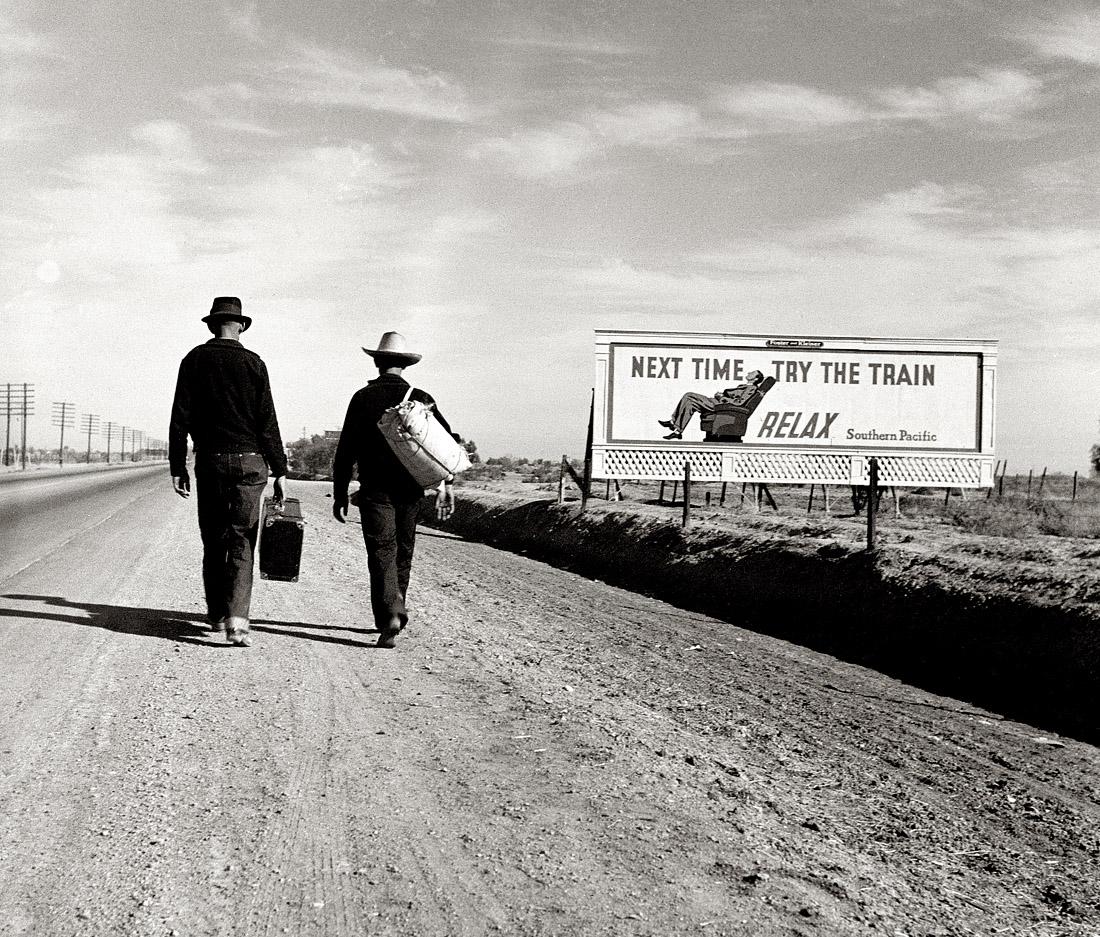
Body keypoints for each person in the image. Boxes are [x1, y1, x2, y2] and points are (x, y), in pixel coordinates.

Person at [169, 296, 287, 647]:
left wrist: (178, 466)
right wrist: (280, 468)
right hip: (251, 461)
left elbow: (180, 418)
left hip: (211, 460)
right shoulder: (254, 363)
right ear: (241, 326)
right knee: (241, 539)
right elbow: (268, 420)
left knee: (213, 537)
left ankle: (217, 614)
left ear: (211, 325)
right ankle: (238, 620)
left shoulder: (193, 359)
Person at [331, 331, 459, 649]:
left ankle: (390, 612)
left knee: (381, 551)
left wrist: (339, 493)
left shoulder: (362, 398)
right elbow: (445, 445)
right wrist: (447, 484)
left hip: (375, 489)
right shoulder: (421, 398)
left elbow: (345, 450)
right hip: (412, 489)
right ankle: (396, 610)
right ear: (404, 365)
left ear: (376, 362)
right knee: (403, 550)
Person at [659, 370, 768, 439]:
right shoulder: (744, 386)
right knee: (689, 403)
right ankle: (678, 431)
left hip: (718, 406)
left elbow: (739, 403)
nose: (749, 372)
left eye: (752, 373)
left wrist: (722, 397)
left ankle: (673, 422)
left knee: (688, 395)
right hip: (717, 403)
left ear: (756, 378)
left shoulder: (751, 388)